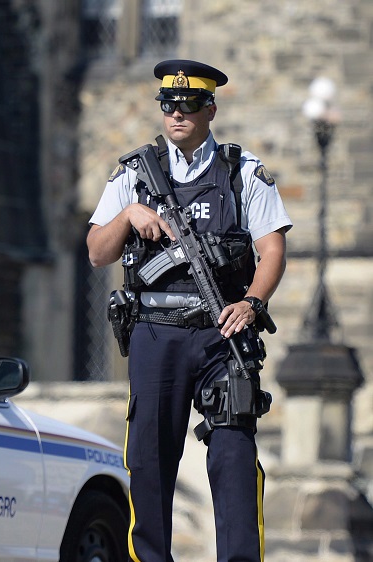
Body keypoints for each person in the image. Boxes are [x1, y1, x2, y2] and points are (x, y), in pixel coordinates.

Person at [87, 59, 292, 562]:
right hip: (157, 335)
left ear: (210, 109)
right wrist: (130, 215)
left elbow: (273, 250)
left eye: (189, 104)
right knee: (149, 460)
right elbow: (96, 250)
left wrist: (252, 302)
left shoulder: (242, 173)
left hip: (222, 334)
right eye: (168, 105)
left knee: (234, 458)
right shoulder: (133, 175)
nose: (177, 112)